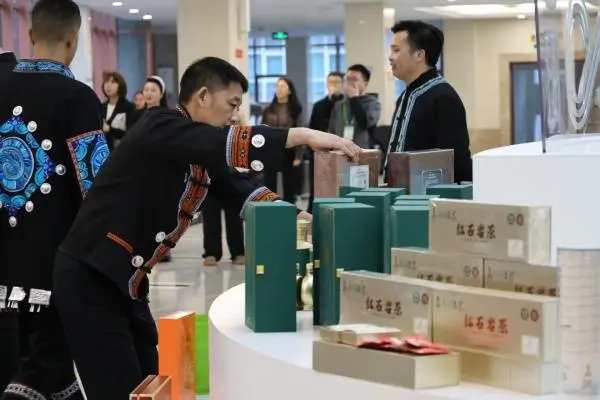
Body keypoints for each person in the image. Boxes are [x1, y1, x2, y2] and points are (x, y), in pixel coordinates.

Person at [52, 56, 360, 398]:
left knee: (150, 382)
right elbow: (218, 144)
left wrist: (303, 220)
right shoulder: (160, 124)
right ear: (202, 96)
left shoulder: (198, 149)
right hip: (91, 275)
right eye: (231, 104)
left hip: (126, 281)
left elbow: (240, 189)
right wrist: (302, 135)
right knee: (119, 388)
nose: (234, 115)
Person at [0, 0, 108, 399]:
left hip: (4, 258)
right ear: (73, 39)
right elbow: (96, 186)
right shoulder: (77, 97)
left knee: (31, 365)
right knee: (46, 365)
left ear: (30, 34)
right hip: (53, 261)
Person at [386, 20, 472, 182]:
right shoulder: (406, 95)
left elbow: (457, 162)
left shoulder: (443, 97)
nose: (390, 57)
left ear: (419, 55)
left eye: (396, 50)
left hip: (429, 194)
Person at [260, 76, 304, 203]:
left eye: (283, 86)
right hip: (271, 150)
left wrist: (298, 156)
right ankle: (271, 208)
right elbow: (262, 130)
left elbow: (300, 133)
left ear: (289, 90)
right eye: (277, 86)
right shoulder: (268, 110)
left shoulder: (295, 110)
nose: (279, 89)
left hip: (288, 150)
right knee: (269, 183)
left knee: (289, 185)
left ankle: (289, 209)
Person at [306, 71, 344, 212]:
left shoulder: (345, 105)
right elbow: (312, 128)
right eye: (330, 82)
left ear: (342, 84)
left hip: (339, 151)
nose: (333, 85)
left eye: (336, 82)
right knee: (317, 184)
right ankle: (313, 211)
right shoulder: (319, 105)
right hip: (320, 151)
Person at [328, 64, 381, 149]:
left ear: (365, 84)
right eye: (348, 79)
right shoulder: (339, 105)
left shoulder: (372, 103)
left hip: (362, 150)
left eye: (354, 79)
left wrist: (354, 98)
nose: (350, 82)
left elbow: (365, 123)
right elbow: (331, 131)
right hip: (339, 150)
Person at [101, 71, 134, 149]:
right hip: (105, 151)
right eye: (106, 82)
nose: (108, 85)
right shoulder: (101, 107)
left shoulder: (129, 107)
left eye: (112, 82)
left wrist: (110, 129)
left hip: (122, 150)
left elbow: (131, 134)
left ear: (120, 85)